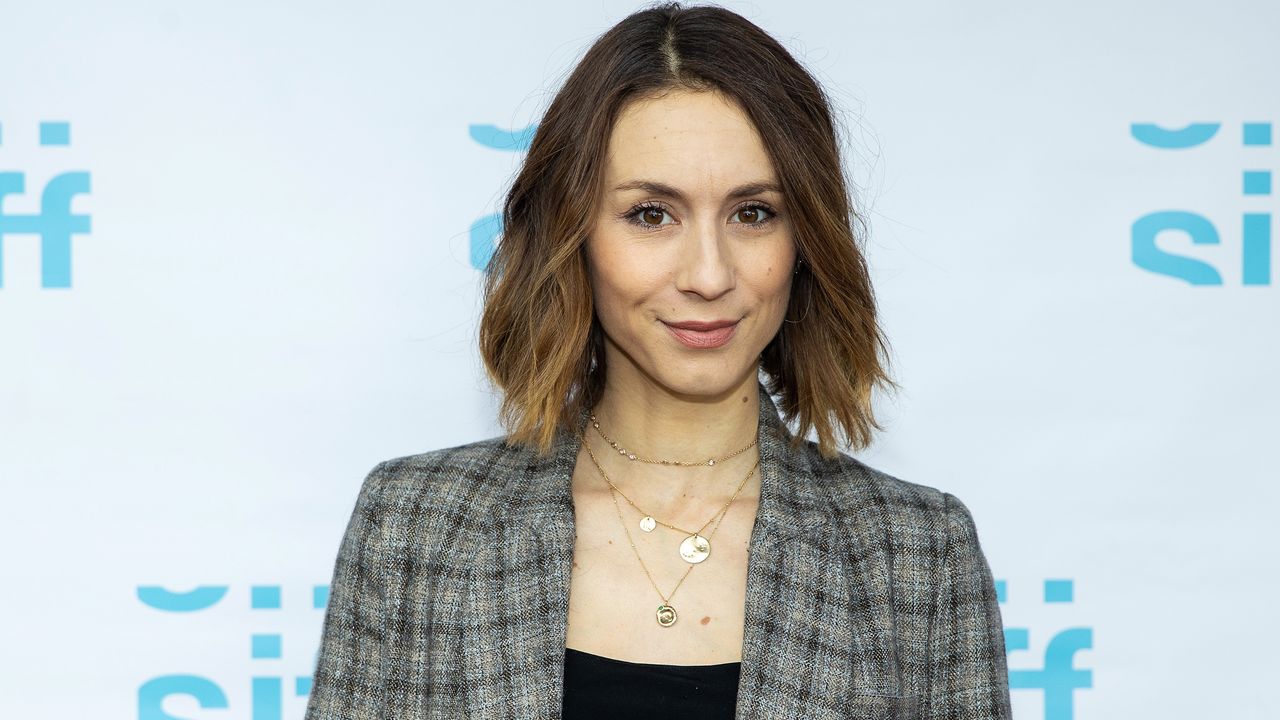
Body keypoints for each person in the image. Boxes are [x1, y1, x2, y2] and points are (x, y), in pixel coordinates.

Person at [304, 3, 1011, 719]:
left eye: (753, 213)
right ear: (572, 233)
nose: (708, 274)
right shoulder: (415, 525)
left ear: (806, 242)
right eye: (651, 214)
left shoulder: (919, 555)